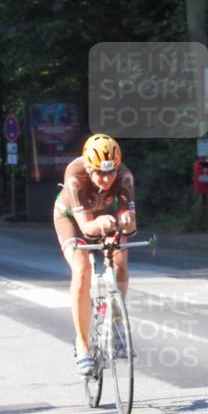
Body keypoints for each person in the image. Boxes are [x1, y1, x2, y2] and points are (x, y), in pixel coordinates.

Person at [54, 134, 137, 375]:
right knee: (82, 269)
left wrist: (127, 220)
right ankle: (83, 346)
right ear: (89, 168)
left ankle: (117, 325)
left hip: (107, 217)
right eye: (100, 173)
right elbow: (87, 227)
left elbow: (131, 225)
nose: (107, 179)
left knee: (120, 262)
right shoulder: (75, 177)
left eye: (111, 172)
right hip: (72, 219)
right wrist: (101, 223)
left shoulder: (125, 177)